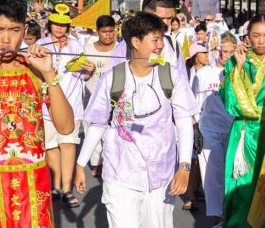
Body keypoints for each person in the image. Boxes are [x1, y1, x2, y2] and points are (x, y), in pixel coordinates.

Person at [75, 12, 199, 228]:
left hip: (161, 177)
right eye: (155, 39)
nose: (161, 45)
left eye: (161, 38)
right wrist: (80, 163)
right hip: (120, 176)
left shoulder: (172, 76)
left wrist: (184, 166)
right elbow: (98, 124)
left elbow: (184, 123)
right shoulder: (112, 78)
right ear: (135, 42)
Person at [0, 0, 74, 227]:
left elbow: (66, 126)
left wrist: (49, 73)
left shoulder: (35, 69)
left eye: (14, 30)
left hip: (32, 188)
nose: (6, 40)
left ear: (25, 30)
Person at [37, 3, 95, 208]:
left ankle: (67, 189)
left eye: (63, 25)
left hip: (72, 105)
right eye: (55, 24)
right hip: (47, 105)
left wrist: (90, 69)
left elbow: (85, 75)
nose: (59, 29)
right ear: (50, 24)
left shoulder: (77, 45)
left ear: (68, 27)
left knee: (68, 145)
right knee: (51, 147)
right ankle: (56, 186)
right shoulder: (41, 43)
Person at [220, 14, 265, 227]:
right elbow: (231, 104)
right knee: (244, 189)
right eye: (256, 35)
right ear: (247, 37)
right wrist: (237, 68)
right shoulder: (235, 62)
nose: (261, 41)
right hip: (246, 133)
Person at [196, 32, 236, 227]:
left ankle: (231, 212)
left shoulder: (240, 72)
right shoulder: (203, 73)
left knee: (230, 173)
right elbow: (194, 103)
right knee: (212, 174)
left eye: (231, 51)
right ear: (217, 51)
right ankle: (218, 216)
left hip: (233, 128)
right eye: (224, 51)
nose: (227, 55)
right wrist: (194, 127)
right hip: (209, 128)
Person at [110, 0, 187, 78]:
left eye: (169, 18)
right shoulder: (124, 48)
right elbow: (114, 81)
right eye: (161, 18)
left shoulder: (173, 45)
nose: (165, 23)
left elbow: (183, 80)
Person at [83, 15, 117, 177]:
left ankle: (111, 162)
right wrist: (88, 73)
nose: (108, 35)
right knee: (92, 131)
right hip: (92, 98)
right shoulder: (88, 49)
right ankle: (96, 163)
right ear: (98, 32)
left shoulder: (121, 49)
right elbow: (81, 76)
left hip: (115, 99)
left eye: (111, 31)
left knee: (112, 134)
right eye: (105, 32)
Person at [183, 41, 209, 212]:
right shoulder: (188, 74)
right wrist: (193, 122)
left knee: (202, 161)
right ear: (195, 56)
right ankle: (190, 198)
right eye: (203, 53)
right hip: (193, 120)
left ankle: (198, 189)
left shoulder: (210, 71)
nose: (207, 55)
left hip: (207, 120)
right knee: (193, 161)